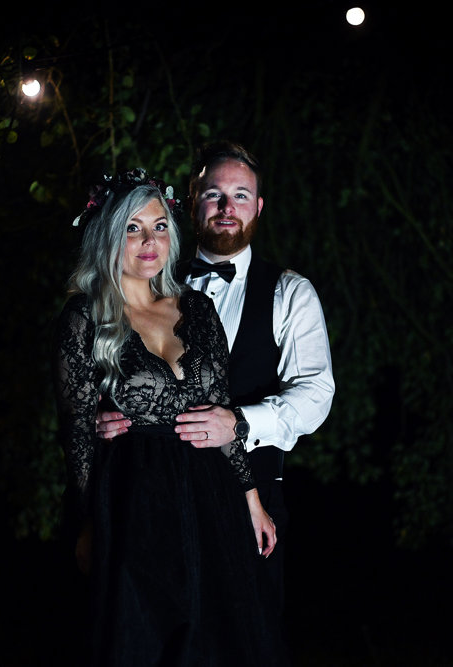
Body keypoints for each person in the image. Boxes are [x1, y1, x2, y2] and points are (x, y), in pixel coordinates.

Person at [97, 141, 336, 620]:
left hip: (251, 497)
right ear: (191, 202)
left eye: (240, 196)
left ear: (258, 207)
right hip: (156, 494)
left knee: (244, 635)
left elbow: (315, 395)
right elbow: (104, 369)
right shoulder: (148, 279)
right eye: (214, 194)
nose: (227, 207)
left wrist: (239, 423)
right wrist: (104, 416)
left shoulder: (290, 291)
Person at [56, 167, 283, 666]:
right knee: (145, 637)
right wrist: (88, 523)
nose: (149, 241)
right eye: (133, 228)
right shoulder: (85, 316)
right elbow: (76, 432)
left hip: (209, 495)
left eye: (159, 226)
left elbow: (220, 408)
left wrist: (251, 499)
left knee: (221, 639)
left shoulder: (197, 308)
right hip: (134, 498)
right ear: (108, 235)